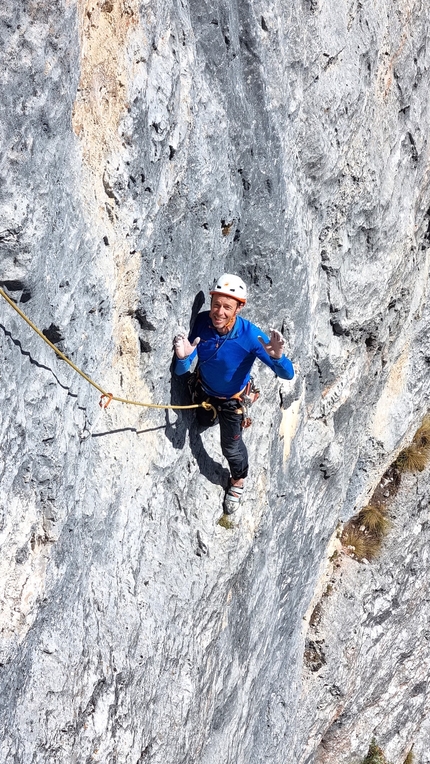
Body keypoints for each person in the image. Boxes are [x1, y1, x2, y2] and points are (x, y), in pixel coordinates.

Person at [173, 274, 294, 514]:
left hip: (232, 400)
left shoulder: (250, 335)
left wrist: (278, 358)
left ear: (239, 307)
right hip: (204, 389)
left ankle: (238, 481)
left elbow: (287, 375)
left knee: (230, 447)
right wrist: (183, 359)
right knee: (202, 421)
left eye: (227, 306)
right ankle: (212, 414)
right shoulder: (201, 322)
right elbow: (180, 370)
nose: (219, 312)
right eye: (216, 304)